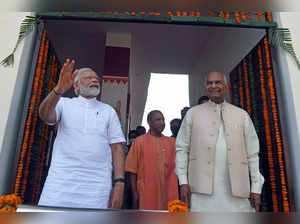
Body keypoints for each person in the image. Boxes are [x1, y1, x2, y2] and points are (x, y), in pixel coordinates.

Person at [38, 59, 126, 209]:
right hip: (60, 183)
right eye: (88, 77)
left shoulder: (108, 111)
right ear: (76, 85)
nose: (94, 80)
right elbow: (45, 115)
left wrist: (119, 184)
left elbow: (117, 149)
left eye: (96, 79)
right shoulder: (64, 103)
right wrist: (58, 89)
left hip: (97, 188)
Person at [175, 71, 264, 212]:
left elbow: (252, 154)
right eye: (209, 83)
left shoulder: (242, 115)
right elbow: (182, 149)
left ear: (226, 87)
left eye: (218, 82)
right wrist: (183, 182)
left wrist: (256, 188)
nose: (213, 86)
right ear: (205, 87)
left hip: (237, 194)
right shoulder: (193, 114)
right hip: (201, 194)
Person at [125, 110, 179, 210]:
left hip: (168, 192)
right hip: (146, 192)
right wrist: (134, 194)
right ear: (149, 122)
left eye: (163, 119)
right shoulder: (139, 142)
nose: (162, 122)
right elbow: (131, 170)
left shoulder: (171, 142)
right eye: (158, 120)